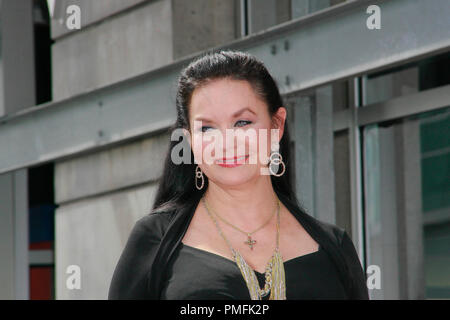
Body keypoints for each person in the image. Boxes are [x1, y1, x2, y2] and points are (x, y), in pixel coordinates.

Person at [108, 50, 369, 300]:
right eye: (207, 128)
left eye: (242, 122)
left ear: (276, 125)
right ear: (188, 141)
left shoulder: (334, 247)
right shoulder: (156, 239)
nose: (226, 142)